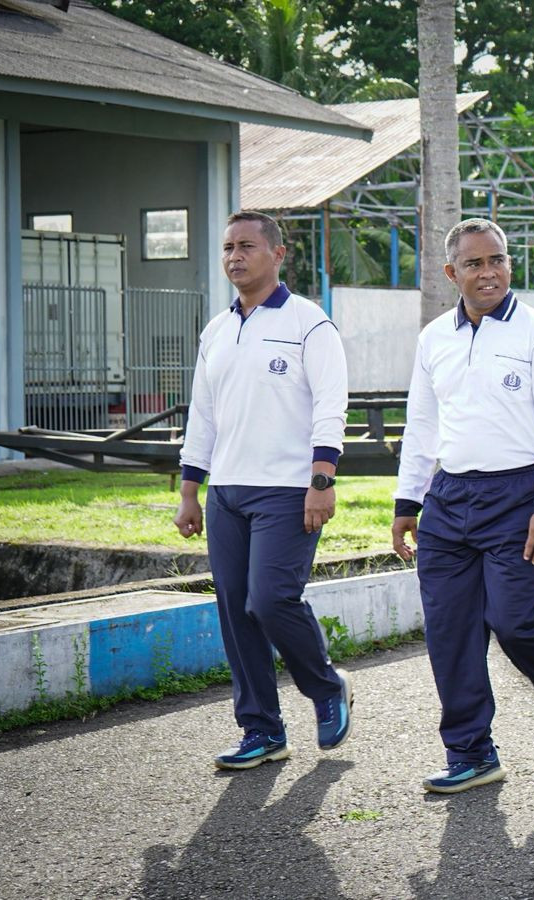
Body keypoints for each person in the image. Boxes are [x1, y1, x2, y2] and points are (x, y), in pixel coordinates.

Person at [392, 218, 534, 794]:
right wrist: (409, 499)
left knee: (512, 621)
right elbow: (422, 424)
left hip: (520, 497)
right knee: (450, 631)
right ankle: (471, 752)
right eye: (475, 264)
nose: (490, 273)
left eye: (498, 260)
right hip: (450, 498)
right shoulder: (435, 339)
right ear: (452, 273)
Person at [175, 210, 353, 771]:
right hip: (227, 490)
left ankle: (325, 686)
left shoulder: (309, 323)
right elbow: (202, 415)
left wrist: (321, 481)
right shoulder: (216, 330)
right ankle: (261, 729)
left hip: (287, 490)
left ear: (277, 255)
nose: (234, 256)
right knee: (235, 610)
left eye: (246, 246)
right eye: (227, 246)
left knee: (271, 599)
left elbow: (331, 406)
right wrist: (189, 490)